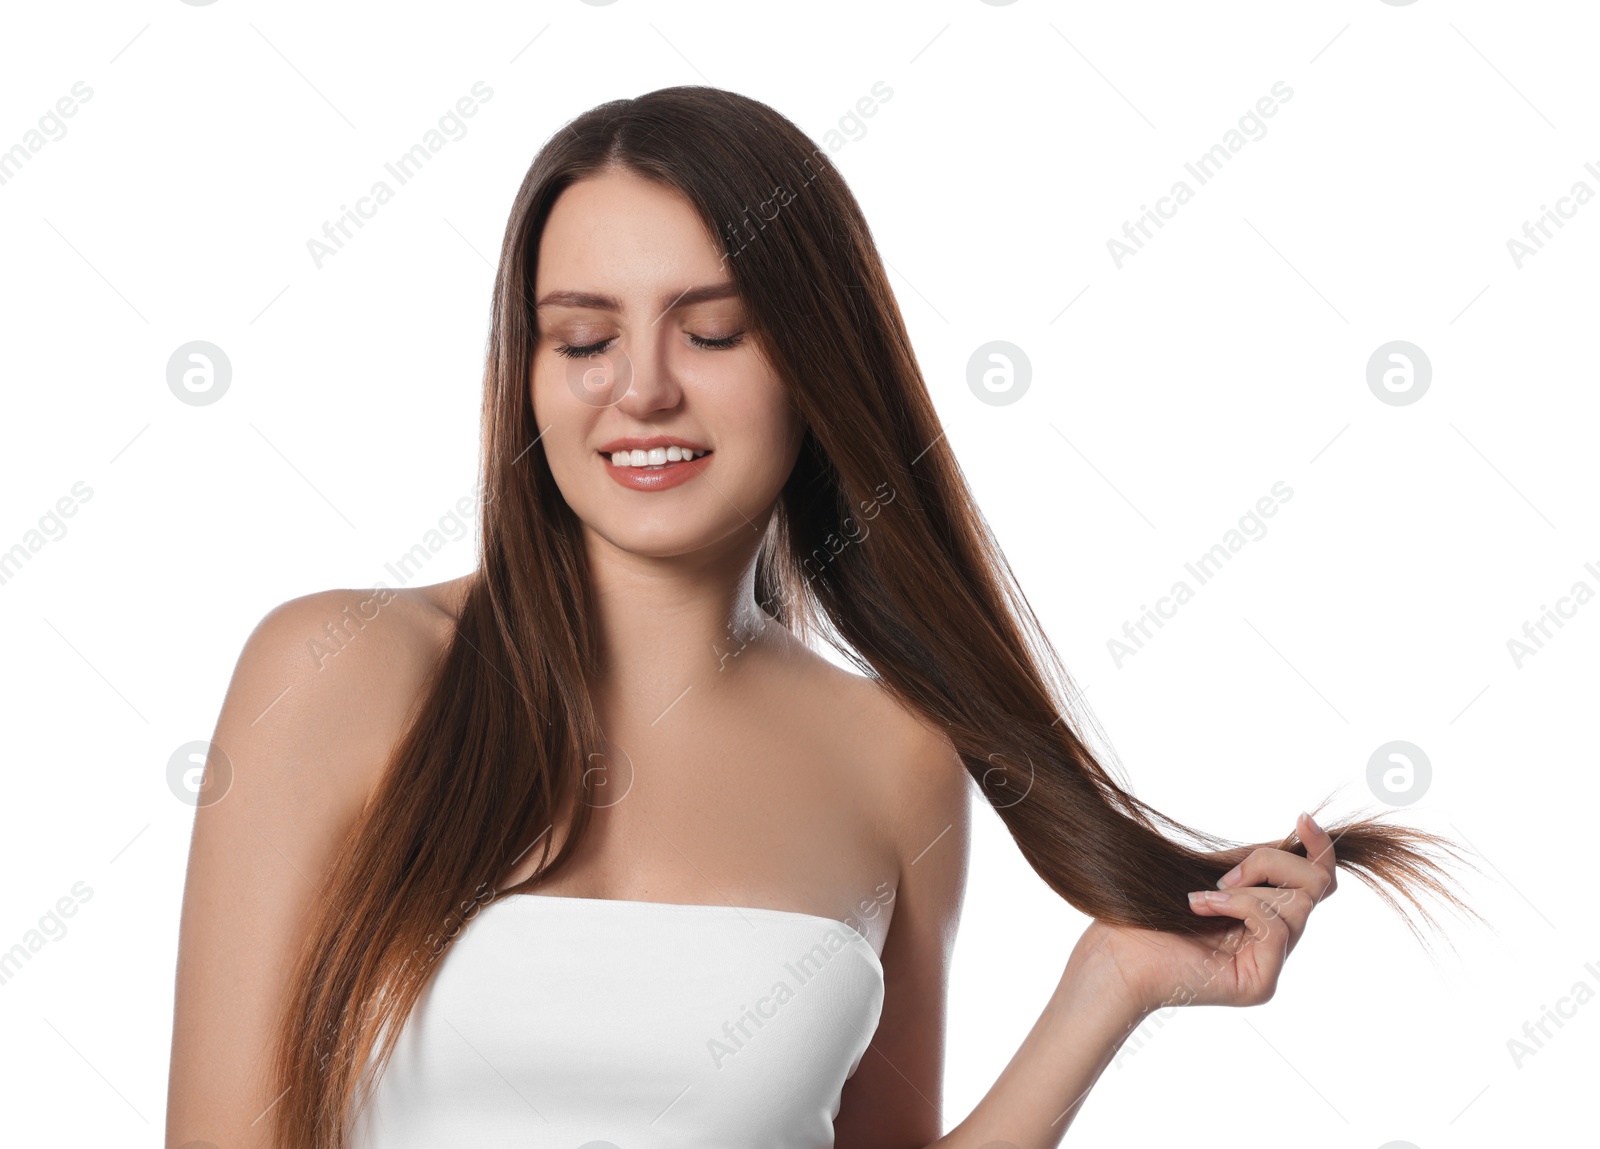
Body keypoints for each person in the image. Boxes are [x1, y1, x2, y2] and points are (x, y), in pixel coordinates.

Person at [165, 86, 1470, 1149]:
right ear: (530, 376)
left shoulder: (892, 754)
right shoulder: (337, 670)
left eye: (714, 330)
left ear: (813, 358)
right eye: (581, 339)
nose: (644, 390)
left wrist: (1110, 987)